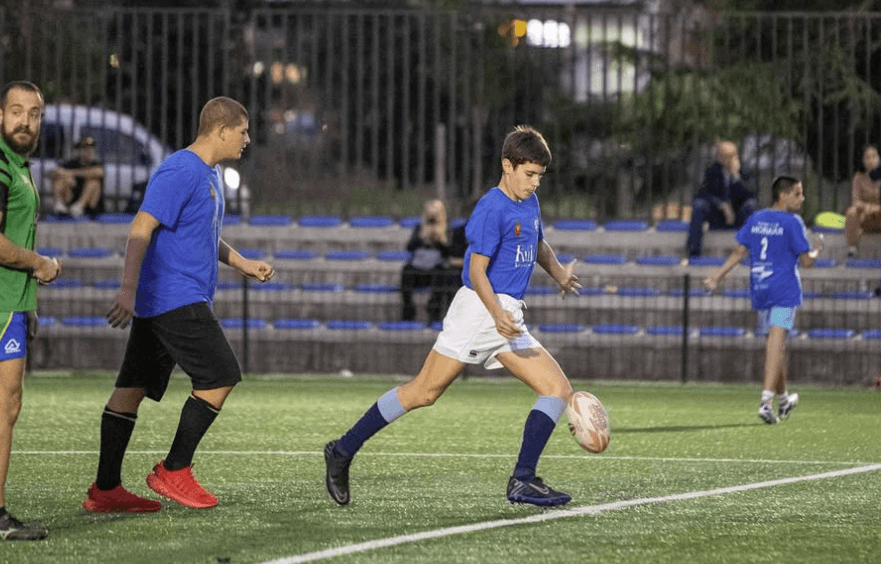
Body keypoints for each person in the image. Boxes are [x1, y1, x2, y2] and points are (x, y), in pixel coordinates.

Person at [325, 125, 582, 508]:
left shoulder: (529, 202)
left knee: (557, 390)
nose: (534, 184)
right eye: (529, 175)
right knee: (423, 392)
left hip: (504, 315)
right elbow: (477, 271)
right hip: (480, 312)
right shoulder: (491, 207)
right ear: (507, 165)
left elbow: (537, 241)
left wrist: (559, 272)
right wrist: (496, 314)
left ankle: (523, 480)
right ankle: (343, 450)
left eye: (540, 177)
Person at [82, 97, 275, 513]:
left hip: (167, 300)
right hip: (174, 297)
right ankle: (174, 470)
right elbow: (141, 226)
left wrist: (242, 263)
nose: (247, 139)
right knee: (221, 375)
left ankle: (105, 490)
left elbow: (204, 233)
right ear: (221, 130)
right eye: (243, 131)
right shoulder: (180, 168)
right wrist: (127, 289)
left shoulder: (212, 173)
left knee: (129, 392)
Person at [704, 175, 823, 425]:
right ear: (783, 195)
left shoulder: (756, 218)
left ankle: (784, 400)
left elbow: (739, 251)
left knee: (774, 346)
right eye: (797, 194)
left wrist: (717, 276)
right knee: (776, 344)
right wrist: (817, 248)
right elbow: (807, 262)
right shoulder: (793, 222)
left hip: (761, 288)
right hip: (784, 290)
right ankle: (766, 402)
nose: (802, 199)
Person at [0, 81, 62, 540]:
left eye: (34, 113)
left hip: (13, 305)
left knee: (8, 407)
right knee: (4, 409)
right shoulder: (1, 167)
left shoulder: (19, 166)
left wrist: (29, 303)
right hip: (2, 304)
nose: (25, 121)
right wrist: (40, 264)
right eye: (17, 111)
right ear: (0, 115)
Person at [686, 140, 758, 257]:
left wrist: (736, 177)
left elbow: (751, 194)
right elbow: (702, 194)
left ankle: (755, 253)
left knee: (751, 205)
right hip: (719, 215)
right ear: (720, 157)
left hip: (738, 216)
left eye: (733, 156)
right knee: (699, 205)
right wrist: (721, 204)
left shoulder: (745, 171)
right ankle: (693, 253)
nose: (730, 160)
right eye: (726, 156)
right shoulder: (712, 171)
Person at [400, 199, 467, 323]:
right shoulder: (419, 228)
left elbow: (449, 253)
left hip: (435, 268)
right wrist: (421, 238)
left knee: (442, 273)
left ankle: (434, 312)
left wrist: (440, 240)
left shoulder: (448, 229)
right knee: (406, 271)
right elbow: (410, 247)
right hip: (418, 267)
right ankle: (408, 309)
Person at [51, 135, 105, 218]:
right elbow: (56, 172)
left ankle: (80, 205)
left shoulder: (96, 164)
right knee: (61, 178)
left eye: (90, 148)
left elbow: (99, 172)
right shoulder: (72, 163)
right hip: (71, 201)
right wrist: (67, 177)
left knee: (94, 182)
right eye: (84, 148)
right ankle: (60, 204)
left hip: (89, 206)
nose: (88, 151)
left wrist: (72, 173)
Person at [844, 145, 881, 258]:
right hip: (866, 219)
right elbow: (856, 202)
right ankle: (852, 249)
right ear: (863, 161)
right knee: (851, 212)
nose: (871, 160)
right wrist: (868, 208)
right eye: (867, 157)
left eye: (874, 156)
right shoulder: (859, 178)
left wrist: (870, 208)